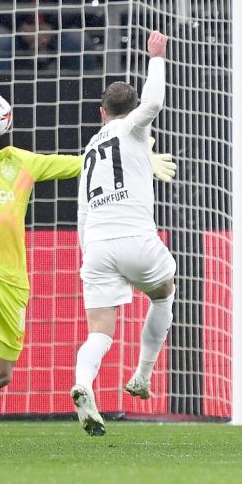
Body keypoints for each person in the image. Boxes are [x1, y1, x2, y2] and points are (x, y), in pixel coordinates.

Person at [0, 92, 177, 431]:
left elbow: (84, 162)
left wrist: (142, 157)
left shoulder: (20, 163)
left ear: (1, 133)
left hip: (9, 283)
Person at [69, 31, 176, 437]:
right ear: (128, 112)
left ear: (101, 112)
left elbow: (80, 208)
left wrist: (86, 253)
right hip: (135, 238)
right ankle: (143, 376)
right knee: (165, 289)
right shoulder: (133, 127)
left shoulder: (90, 149)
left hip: (95, 245)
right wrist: (156, 58)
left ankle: (83, 383)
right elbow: (154, 102)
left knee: (100, 331)